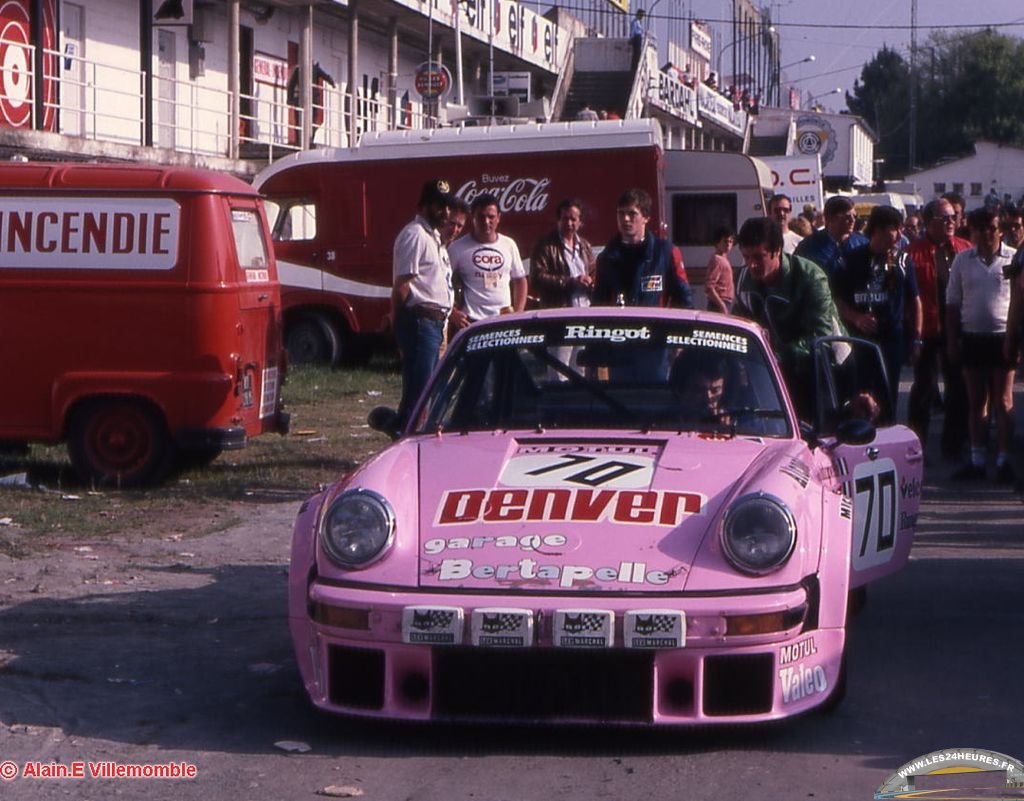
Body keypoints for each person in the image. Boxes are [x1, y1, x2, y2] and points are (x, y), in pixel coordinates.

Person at [733, 216, 843, 419]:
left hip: (823, 369)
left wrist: (775, 355)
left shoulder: (810, 277)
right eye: (746, 257)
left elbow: (821, 336)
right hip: (770, 370)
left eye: (758, 257)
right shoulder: (742, 280)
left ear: (777, 251)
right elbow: (737, 328)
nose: (751, 265)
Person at [946, 207, 1017, 483]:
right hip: (973, 337)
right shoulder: (963, 261)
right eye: (980, 229)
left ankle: (1003, 459)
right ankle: (976, 459)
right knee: (977, 401)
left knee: (1003, 400)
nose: (986, 233)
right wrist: (952, 341)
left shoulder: (1013, 258)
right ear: (972, 232)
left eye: (991, 228)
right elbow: (952, 303)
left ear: (1000, 229)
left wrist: (1016, 339)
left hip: (1004, 337)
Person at [831, 205, 923, 414]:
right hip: (859, 341)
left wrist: (916, 338)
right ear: (879, 230)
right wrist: (856, 318)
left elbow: (915, 301)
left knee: (887, 398)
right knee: (860, 398)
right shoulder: (850, 260)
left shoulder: (903, 260)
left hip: (892, 340)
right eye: (895, 229)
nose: (900, 234)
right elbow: (836, 300)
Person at [906, 198, 972, 459]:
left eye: (953, 218)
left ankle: (954, 443)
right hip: (928, 330)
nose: (950, 223)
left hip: (958, 329)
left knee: (958, 386)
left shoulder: (965, 249)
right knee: (923, 388)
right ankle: (915, 445)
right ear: (929, 222)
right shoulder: (912, 253)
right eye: (944, 218)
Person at [392, 178, 456, 426]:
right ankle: (405, 436)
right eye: (439, 205)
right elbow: (402, 286)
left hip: (436, 323)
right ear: (424, 206)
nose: (445, 211)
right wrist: (399, 322)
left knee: (430, 389)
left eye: (448, 206)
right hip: (421, 321)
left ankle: (411, 430)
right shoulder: (415, 235)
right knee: (419, 392)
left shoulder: (435, 239)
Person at [593, 188, 693, 309]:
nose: (625, 219)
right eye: (621, 213)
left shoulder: (665, 253)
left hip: (655, 326)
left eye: (632, 213)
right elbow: (598, 304)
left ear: (646, 217)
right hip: (621, 326)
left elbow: (684, 300)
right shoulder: (607, 258)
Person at [448, 193, 527, 329]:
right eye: (481, 216)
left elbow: (520, 280)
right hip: (471, 321)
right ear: (472, 217)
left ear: (499, 218)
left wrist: (518, 313)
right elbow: (441, 282)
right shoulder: (457, 248)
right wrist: (452, 312)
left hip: (504, 319)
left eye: (491, 217)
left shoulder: (509, 244)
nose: (486, 222)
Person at [529, 197, 596, 309]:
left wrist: (591, 282)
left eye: (573, 219)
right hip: (558, 312)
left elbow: (594, 273)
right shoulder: (545, 246)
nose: (569, 223)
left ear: (580, 222)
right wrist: (571, 282)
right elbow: (537, 279)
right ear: (558, 220)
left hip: (585, 310)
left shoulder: (585, 246)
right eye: (565, 219)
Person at [794, 195, 868, 279]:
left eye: (854, 216)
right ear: (830, 218)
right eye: (847, 217)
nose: (852, 220)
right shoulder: (808, 246)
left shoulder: (862, 243)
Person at [704, 226, 735, 314]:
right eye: (725, 241)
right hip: (719, 303)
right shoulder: (717, 260)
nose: (728, 244)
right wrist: (721, 305)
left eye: (731, 241)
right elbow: (709, 286)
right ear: (717, 242)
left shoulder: (724, 259)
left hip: (726, 302)